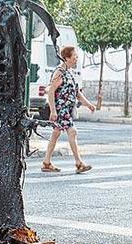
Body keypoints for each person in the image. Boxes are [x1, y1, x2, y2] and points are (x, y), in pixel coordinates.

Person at [41, 46, 96, 174]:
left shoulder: (69, 73)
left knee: (56, 134)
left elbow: (76, 93)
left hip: (66, 109)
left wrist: (88, 105)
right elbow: (51, 92)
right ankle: (78, 163)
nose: (76, 59)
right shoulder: (59, 72)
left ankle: (46, 162)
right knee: (72, 132)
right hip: (61, 109)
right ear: (67, 58)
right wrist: (53, 111)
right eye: (74, 57)